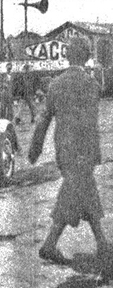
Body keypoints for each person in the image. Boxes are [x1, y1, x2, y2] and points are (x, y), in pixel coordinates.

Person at [29, 37, 109, 266]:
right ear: (86, 57)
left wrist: (35, 149)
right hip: (85, 151)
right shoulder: (91, 84)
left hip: (65, 152)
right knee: (78, 192)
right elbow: (91, 122)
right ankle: (51, 244)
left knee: (82, 192)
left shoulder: (55, 85)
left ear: (68, 56)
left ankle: (100, 242)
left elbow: (44, 120)